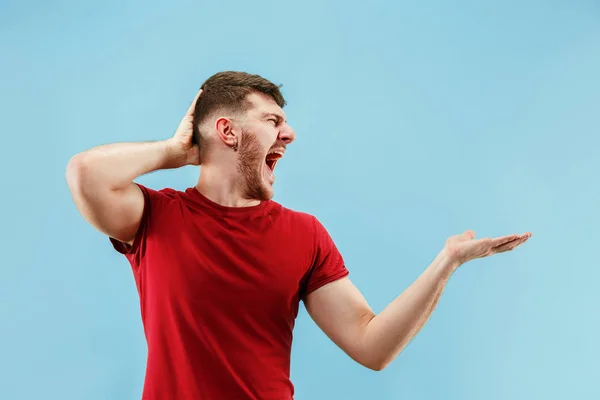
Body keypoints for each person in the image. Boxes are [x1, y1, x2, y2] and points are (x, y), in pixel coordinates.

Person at [66, 71, 532, 399]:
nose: (289, 133)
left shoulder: (304, 234)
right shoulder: (155, 217)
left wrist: (446, 262)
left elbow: (372, 347)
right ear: (226, 130)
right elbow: (86, 173)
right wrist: (173, 150)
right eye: (272, 121)